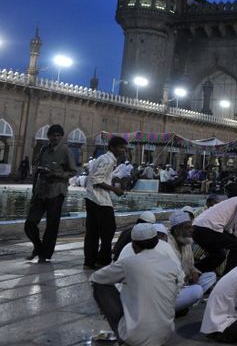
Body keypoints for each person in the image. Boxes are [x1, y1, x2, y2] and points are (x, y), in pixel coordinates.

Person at [90, 224, 183, 346]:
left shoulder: (129, 263)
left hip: (135, 337)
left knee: (99, 285)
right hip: (165, 334)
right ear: (156, 242)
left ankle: (121, 335)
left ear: (134, 245)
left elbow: (96, 277)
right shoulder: (170, 263)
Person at [24, 124, 77, 263]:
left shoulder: (65, 151)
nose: (55, 137)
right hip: (41, 192)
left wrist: (55, 173)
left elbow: (73, 171)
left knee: (52, 226)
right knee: (29, 223)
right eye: (53, 135)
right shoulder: (44, 149)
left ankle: (44, 254)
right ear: (48, 136)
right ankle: (38, 247)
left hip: (56, 192)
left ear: (61, 136)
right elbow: (36, 169)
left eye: (58, 135)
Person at [84, 136, 128, 269]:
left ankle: (89, 261)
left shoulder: (105, 158)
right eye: (120, 148)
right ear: (112, 147)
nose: (123, 151)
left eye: (124, 148)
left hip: (91, 198)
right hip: (99, 200)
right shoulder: (107, 160)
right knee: (108, 230)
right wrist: (115, 189)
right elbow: (97, 179)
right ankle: (102, 260)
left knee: (93, 232)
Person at [192, 186, 237, 275]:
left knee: (220, 255)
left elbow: (226, 229)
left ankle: (195, 270)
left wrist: (234, 235)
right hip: (207, 229)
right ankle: (230, 275)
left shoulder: (233, 202)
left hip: (197, 229)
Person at [167, 211, 217, 313]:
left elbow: (191, 265)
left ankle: (183, 303)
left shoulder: (187, 242)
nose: (192, 230)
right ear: (177, 230)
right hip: (172, 289)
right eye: (188, 227)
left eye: (191, 227)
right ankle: (178, 306)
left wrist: (194, 272)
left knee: (211, 276)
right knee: (197, 291)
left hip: (185, 283)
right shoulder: (167, 245)